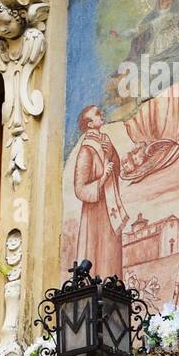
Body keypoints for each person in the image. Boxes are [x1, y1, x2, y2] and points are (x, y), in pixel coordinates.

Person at [73, 105, 129, 277]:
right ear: (89, 124)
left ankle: (114, 291)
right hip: (94, 215)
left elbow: (116, 168)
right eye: (97, 114)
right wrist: (102, 178)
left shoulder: (105, 141)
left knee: (111, 253)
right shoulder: (86, 150)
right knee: (97, 253)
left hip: (110, 210)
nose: (101, 114)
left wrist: (110, 153)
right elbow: (79, 188)